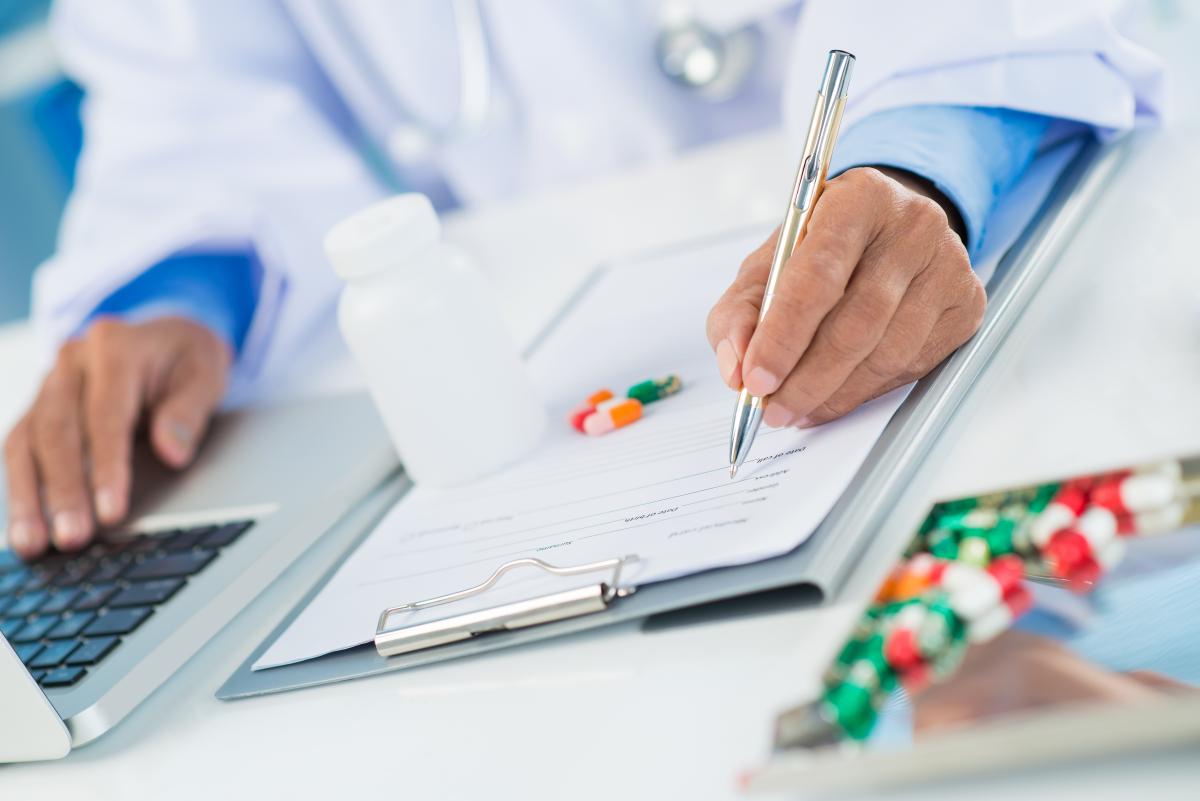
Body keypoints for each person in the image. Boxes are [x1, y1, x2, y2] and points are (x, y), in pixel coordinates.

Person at [3, 1, 1164, 559]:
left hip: (1033, 256)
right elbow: (184, 86)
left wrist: (924, 150)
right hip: (547, 325)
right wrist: (175, 286)